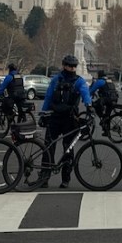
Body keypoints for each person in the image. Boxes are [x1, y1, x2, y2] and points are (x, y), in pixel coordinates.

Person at [39, 54, 93, 189]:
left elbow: (86, 94)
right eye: (69, 66)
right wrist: (43, 113)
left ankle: (64, 179)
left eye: (74, 66)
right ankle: (45, 177)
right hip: (56, 117)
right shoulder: (57, 80)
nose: (72, 68)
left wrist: (89, 105)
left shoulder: (76, 81)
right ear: (64, 65)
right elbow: (49, 96)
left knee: (67, 149)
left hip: (68, 119)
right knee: (49, 148)